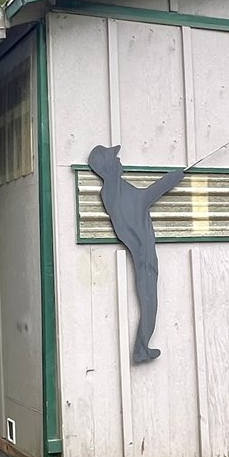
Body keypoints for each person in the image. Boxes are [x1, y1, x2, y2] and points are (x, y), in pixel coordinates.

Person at [86, 145, 186, 364]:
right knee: (150, 300)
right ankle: (141, 348)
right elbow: (144, 198)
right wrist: (172, 179)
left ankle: (142, 346)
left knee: (149, 299)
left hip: (142, 251)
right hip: (143, 253)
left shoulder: (113, 190)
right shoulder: (116, 191)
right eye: (116, 159)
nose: (120, 161)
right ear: (109, 166)